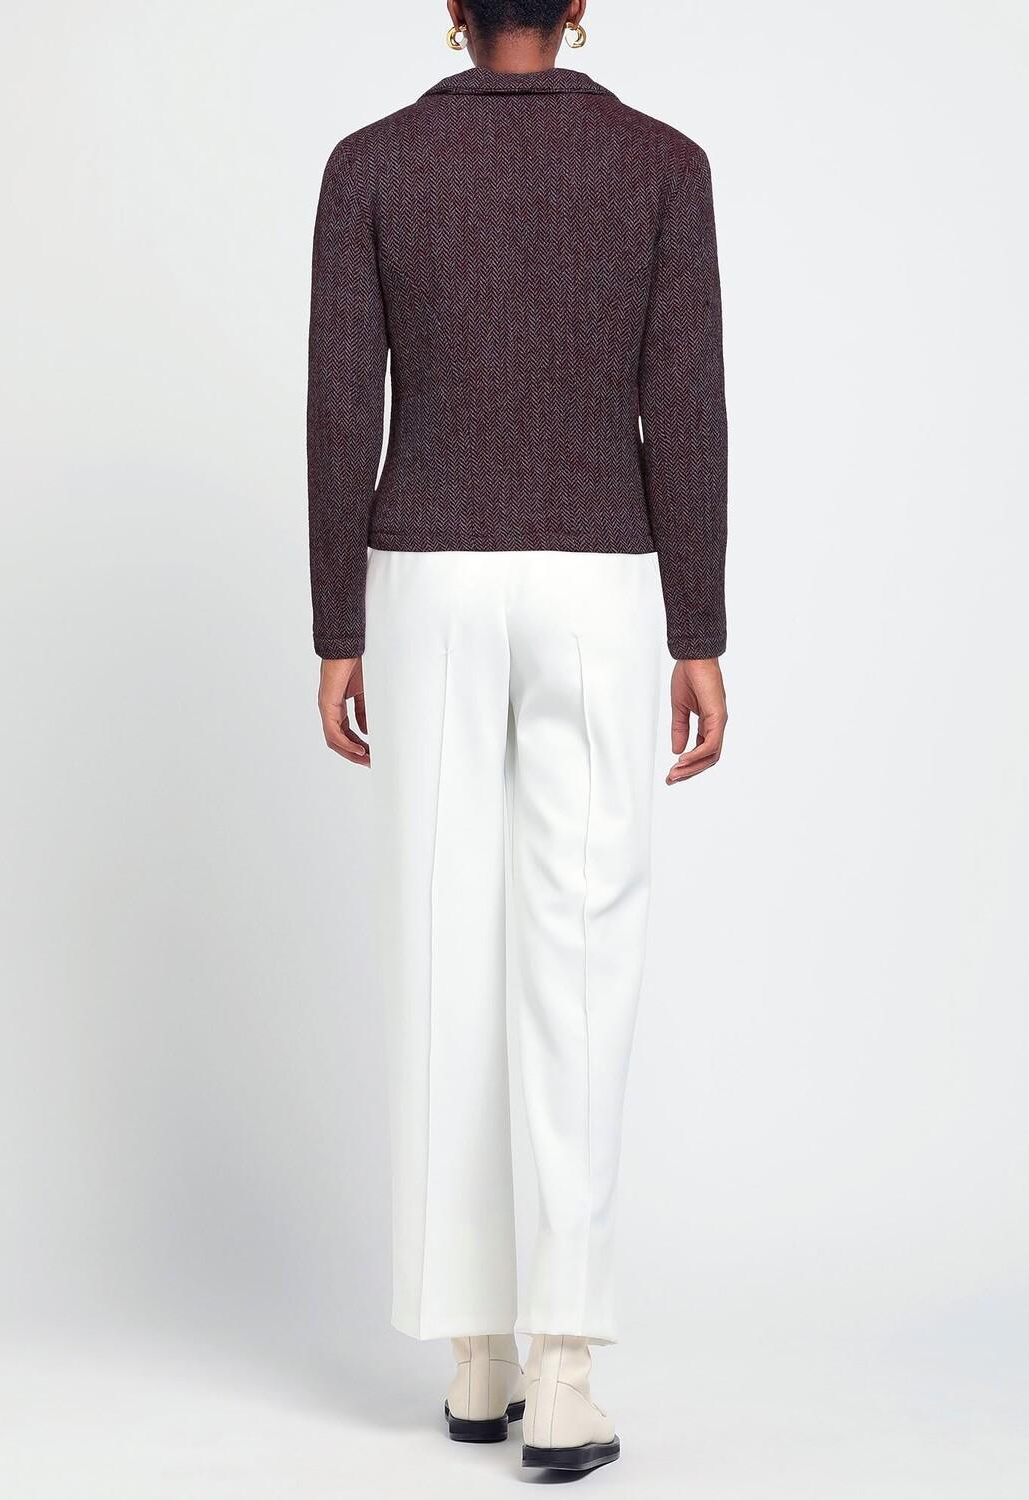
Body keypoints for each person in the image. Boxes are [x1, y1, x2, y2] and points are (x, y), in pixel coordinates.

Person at [308, 0, 727, 1473]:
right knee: (581, 949)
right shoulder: (662, 165)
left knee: (444, 944)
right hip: (599, 580)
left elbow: (339, 407)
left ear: (451, 9)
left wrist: (336, 625)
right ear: (579, 7)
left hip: (425, 579)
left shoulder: (371, 163)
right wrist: (697, 629)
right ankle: (562, 1370)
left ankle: (473, 1349)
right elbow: (684, 408)